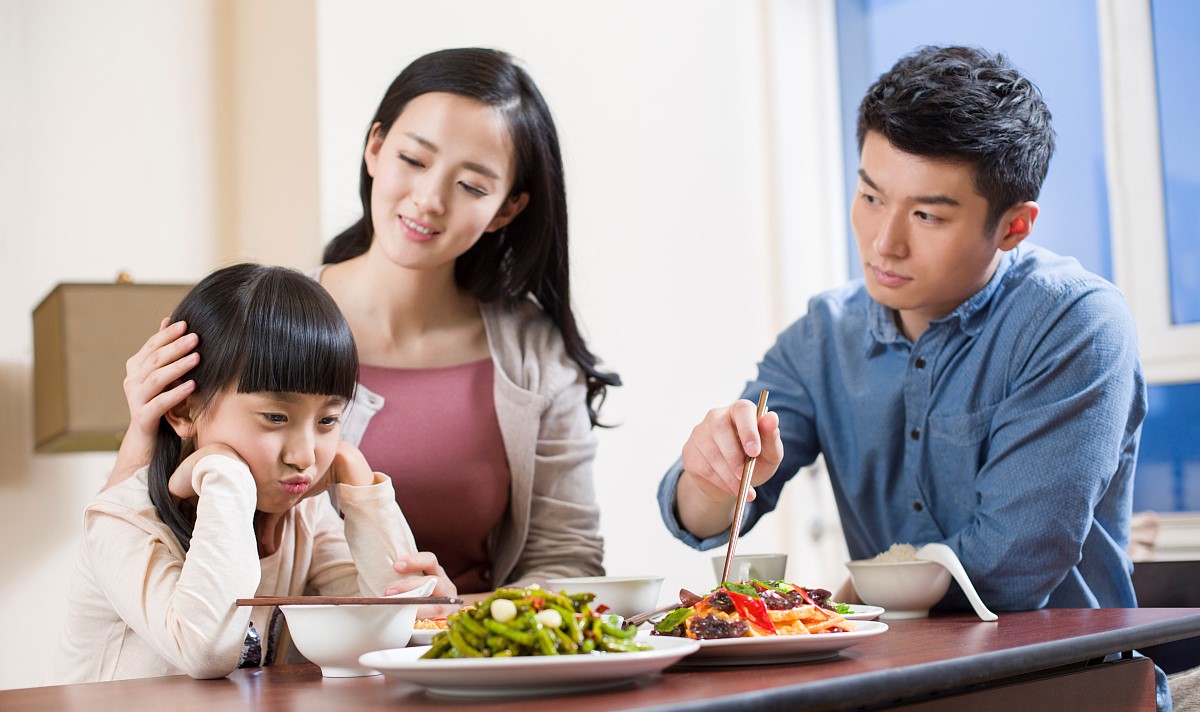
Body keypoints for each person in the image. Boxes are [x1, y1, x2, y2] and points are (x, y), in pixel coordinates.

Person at [659, 43, 1169, 709]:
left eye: (927, 215)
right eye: (871, 196)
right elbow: (698, 517)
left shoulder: (1075, 322)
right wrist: (710, 477)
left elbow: (1011, 564)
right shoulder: (823, 336)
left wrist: (833, 601)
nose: (882, 242)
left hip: (1068, 689)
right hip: (899, 690)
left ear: (1013, 226)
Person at [107, 48, 618, 600]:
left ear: (507, 209)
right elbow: (140, 539)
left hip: (469, 656)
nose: (429, 200)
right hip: (280, 668)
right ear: (375, 147)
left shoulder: (536, 357)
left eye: (471, 186)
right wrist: (142, 431)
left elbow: (567, 560)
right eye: (413, 160)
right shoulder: (259, 323)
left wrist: (457, 622)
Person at [50, 264, 424, 683]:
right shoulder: (121, 522)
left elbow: (393, 627)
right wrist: (226, 474)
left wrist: (357, 476)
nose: (304, 456)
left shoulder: (305, 517)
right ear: (183, 409)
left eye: (328, 420)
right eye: (275, 416)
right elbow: (206, 651)